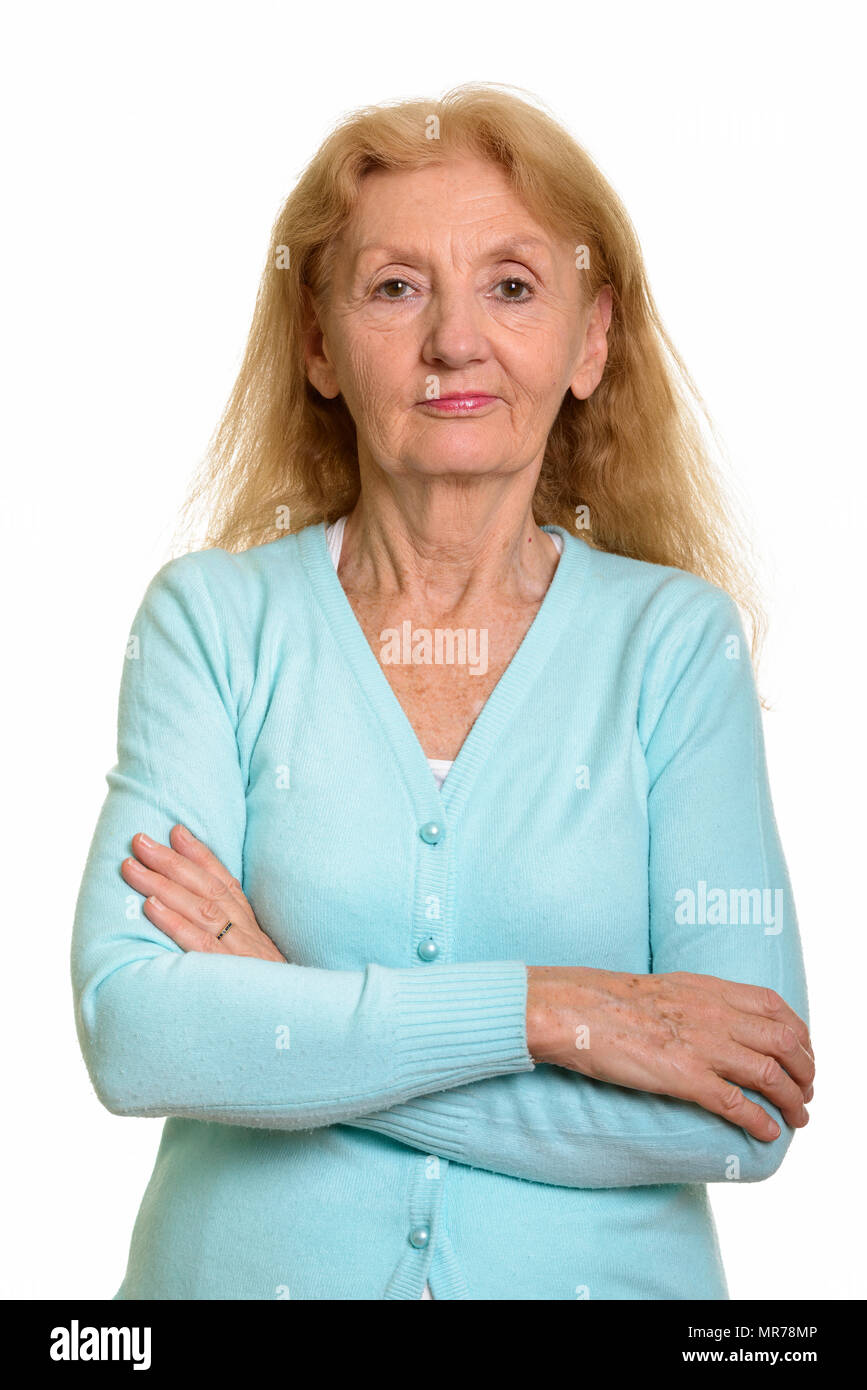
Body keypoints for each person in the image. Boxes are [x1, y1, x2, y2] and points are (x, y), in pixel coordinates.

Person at [71, 84, 812, 1301]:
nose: (455, 341)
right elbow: (137, 1032)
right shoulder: (214, 621)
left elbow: (745, 1112)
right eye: (395, 286)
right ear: (318, 341)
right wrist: (551, 1011)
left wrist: (290, 1014)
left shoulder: (675, 645)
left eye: (513, 286)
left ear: (591, 341)